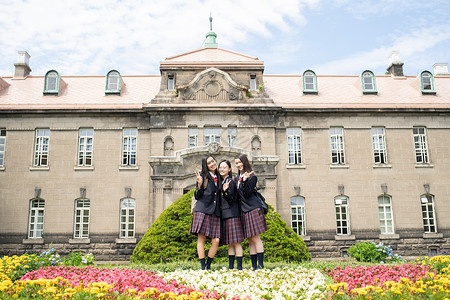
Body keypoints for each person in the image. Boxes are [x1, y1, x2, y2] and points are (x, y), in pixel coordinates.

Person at [235, 153, 267, 270]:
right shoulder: (236, 178)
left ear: (245, 162)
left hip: (253, 208)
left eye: (240, 162)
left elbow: (247, 193)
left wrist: (245, 181)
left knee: (255, 238)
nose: (238, 165)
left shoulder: (252, 177)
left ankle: (261, 265)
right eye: (236, 163)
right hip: (244, 210)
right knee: (250, 239)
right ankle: (254, 266)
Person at [190, 154, 221, 270]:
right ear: (205, 166)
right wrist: (199, 184)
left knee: (216, 240)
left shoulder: (219, 176)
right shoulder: (203, 177)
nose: (212, 164)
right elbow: (197, 195)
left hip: (215, 211)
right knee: (201, 238)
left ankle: (208, 264)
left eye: (213, 161)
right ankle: (204, 267)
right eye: (209, 163)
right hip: (203, 210)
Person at [218, 159, 244, 270]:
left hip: (232, 214)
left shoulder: (230, 181)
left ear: (229, 169)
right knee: (230, 243)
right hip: (226, 215)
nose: (221, 169)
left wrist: (225, 191)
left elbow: (231, 199)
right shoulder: (223, 181)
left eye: (224, 167)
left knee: (236, 242)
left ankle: (239, 267)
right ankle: (231, 267)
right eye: (220, 167)